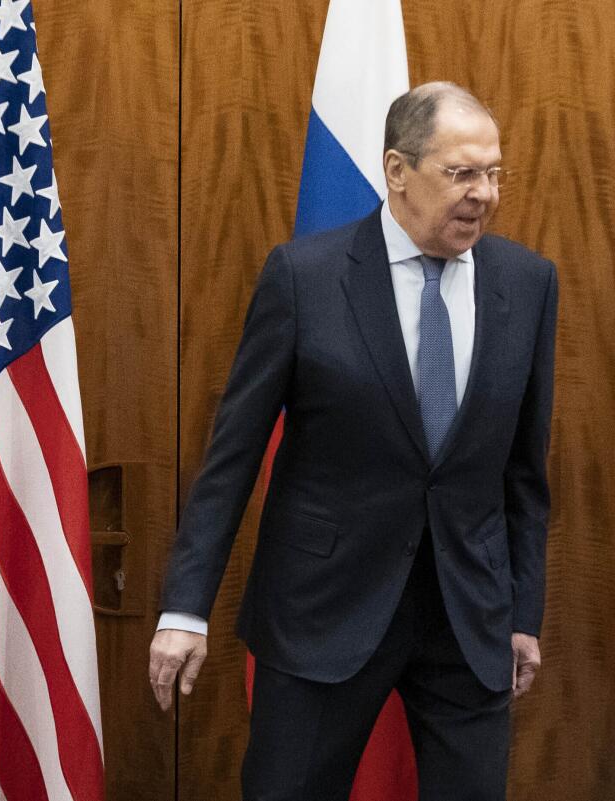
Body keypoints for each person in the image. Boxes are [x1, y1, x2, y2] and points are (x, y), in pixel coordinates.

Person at [148, 82, 557, 801]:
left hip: (468, 619)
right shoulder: (305, 278)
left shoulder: (527, 284)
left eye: (494, 173)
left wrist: (524, 613)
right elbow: (232, 460)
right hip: (321, 609)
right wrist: (186, 608)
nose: (483, 194)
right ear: (397, 170)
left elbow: (523, 472)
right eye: (461, 173)